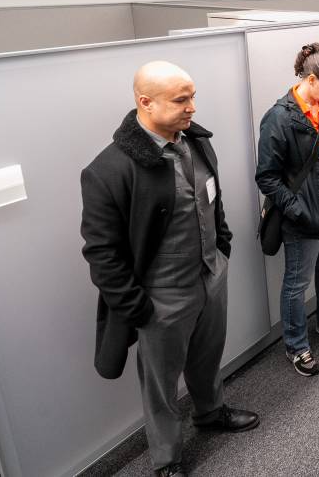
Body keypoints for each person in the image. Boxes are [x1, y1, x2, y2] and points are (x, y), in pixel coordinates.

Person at [81, 61, 259, 476]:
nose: (192, 107)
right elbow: (101, 252)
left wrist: (224, 247)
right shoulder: (109, 170)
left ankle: (210, 412)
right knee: (160, 384)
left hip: (211, 275)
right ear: (145, 102)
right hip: (161, 296)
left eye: (192, 96)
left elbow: (212, 200)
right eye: (181, 99)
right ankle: (167, 460)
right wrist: (137, 308)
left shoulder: (194, 142)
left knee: (208, 354)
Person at [256, 44, 319, 377]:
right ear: (312, 79)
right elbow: (267, 178)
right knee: (297, 282)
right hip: (302, 214)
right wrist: (297, 211)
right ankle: (296, 345)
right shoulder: (280, 117)